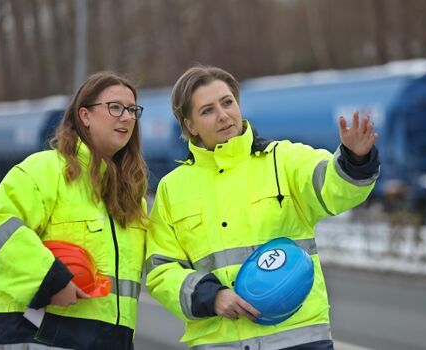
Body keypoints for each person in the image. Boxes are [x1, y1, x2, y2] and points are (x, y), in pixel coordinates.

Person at [146, 65, 380, 350]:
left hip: (298, 338)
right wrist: (211, 296)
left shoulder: (283, 160)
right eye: (207, 110)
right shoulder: (173, 188)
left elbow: (335, 188)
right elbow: (161, 271)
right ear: (190, 125)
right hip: (220, 343)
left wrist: (355, 158)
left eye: (227, 102)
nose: (223, 115)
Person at [0, 71, 148, 350]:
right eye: (115, 107)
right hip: (36, 336)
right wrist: (50, 282)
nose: (127, 117)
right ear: (85, 116)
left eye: (132, 110)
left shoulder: (131, 198)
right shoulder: (45, 170)